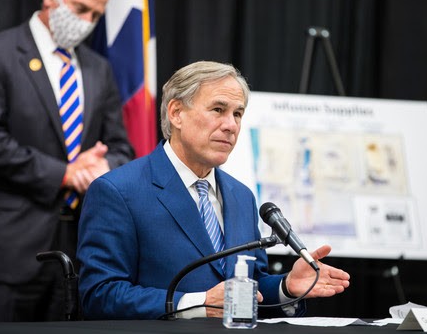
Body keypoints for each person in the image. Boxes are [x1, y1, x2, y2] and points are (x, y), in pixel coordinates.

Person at [77, 61, 351, 320]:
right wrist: (198, 303)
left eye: (238, 113)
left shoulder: (241, 196)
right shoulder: (117, 191)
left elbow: (250, 285)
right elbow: (99, 295)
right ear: (176, 113)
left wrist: (287, 287)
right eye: (218, 110)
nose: (231, 125)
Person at [0, 0, 134, 322]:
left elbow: (121, 148)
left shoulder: (97, 69)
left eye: (96, 14)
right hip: (11, 252)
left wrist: (102, 168)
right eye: (81, 9)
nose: (88, 21)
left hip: (78, 254)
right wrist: (65, 173)